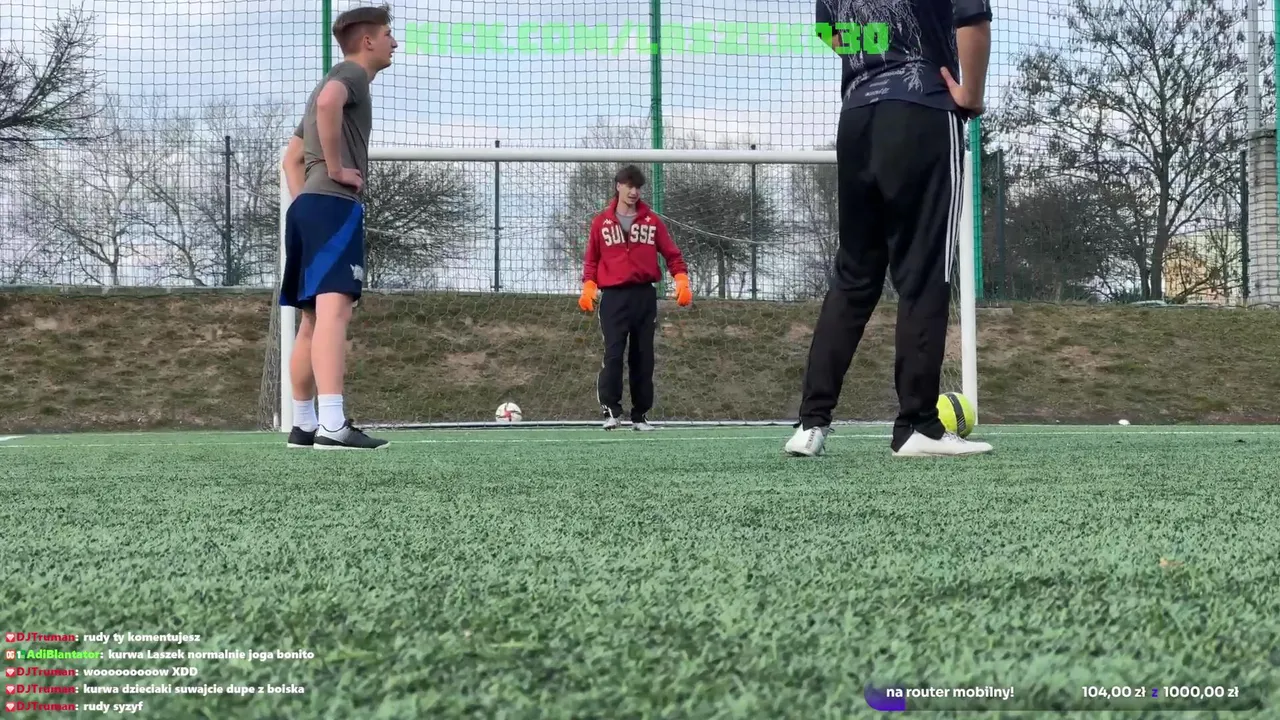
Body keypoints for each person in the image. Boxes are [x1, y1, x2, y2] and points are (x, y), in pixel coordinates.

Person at [784, 0, 994, 458]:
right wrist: (970, 94)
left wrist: (876, 56)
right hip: (922, 109)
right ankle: (918, 425)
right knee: (924, 271)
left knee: (854, 275)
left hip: (857, 117)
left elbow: (827, 29)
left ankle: (811, 424)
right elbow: (972, 17)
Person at [278, 5, 397, 450]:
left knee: (311, 318)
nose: (394, 43)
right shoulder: (350, 75)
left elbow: (290, 160)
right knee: (334, 312)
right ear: (367, 41)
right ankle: (333, 425)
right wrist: (336, 170)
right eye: (388, 34)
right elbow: (331, 102)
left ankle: (304, 426)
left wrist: (305, 200)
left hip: (308, 207)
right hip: (332, 207)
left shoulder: (324, 85)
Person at [579, 165, 693, 430]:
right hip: (613, 297)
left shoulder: (652, 221)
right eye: (629, 186)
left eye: (638, 187)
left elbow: (672, 254)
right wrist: (588, 286)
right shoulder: (601, 222)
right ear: (618, 186)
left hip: (643, 295)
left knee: (643, 356)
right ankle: (611, 412)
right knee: (613, 353)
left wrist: (681, 279)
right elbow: (591, 260)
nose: (634, 192)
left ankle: (640, 415)